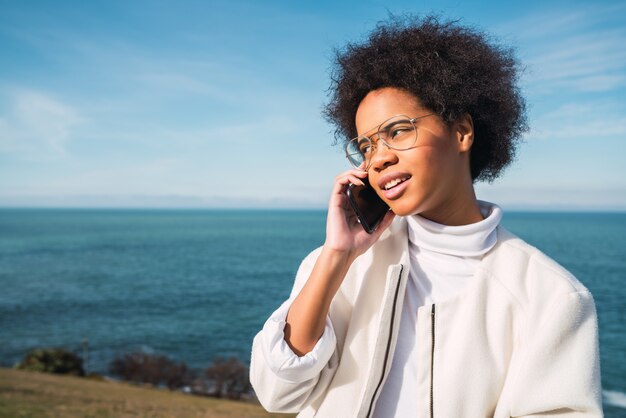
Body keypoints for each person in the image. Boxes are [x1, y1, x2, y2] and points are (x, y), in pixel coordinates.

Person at [250, 15, 602, 417]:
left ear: (462, 131)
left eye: (398, 131)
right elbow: (277, 394)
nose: (379, 157)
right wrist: (337, 256)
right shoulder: (336, 265)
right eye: (366, 145)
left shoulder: (550, 297)